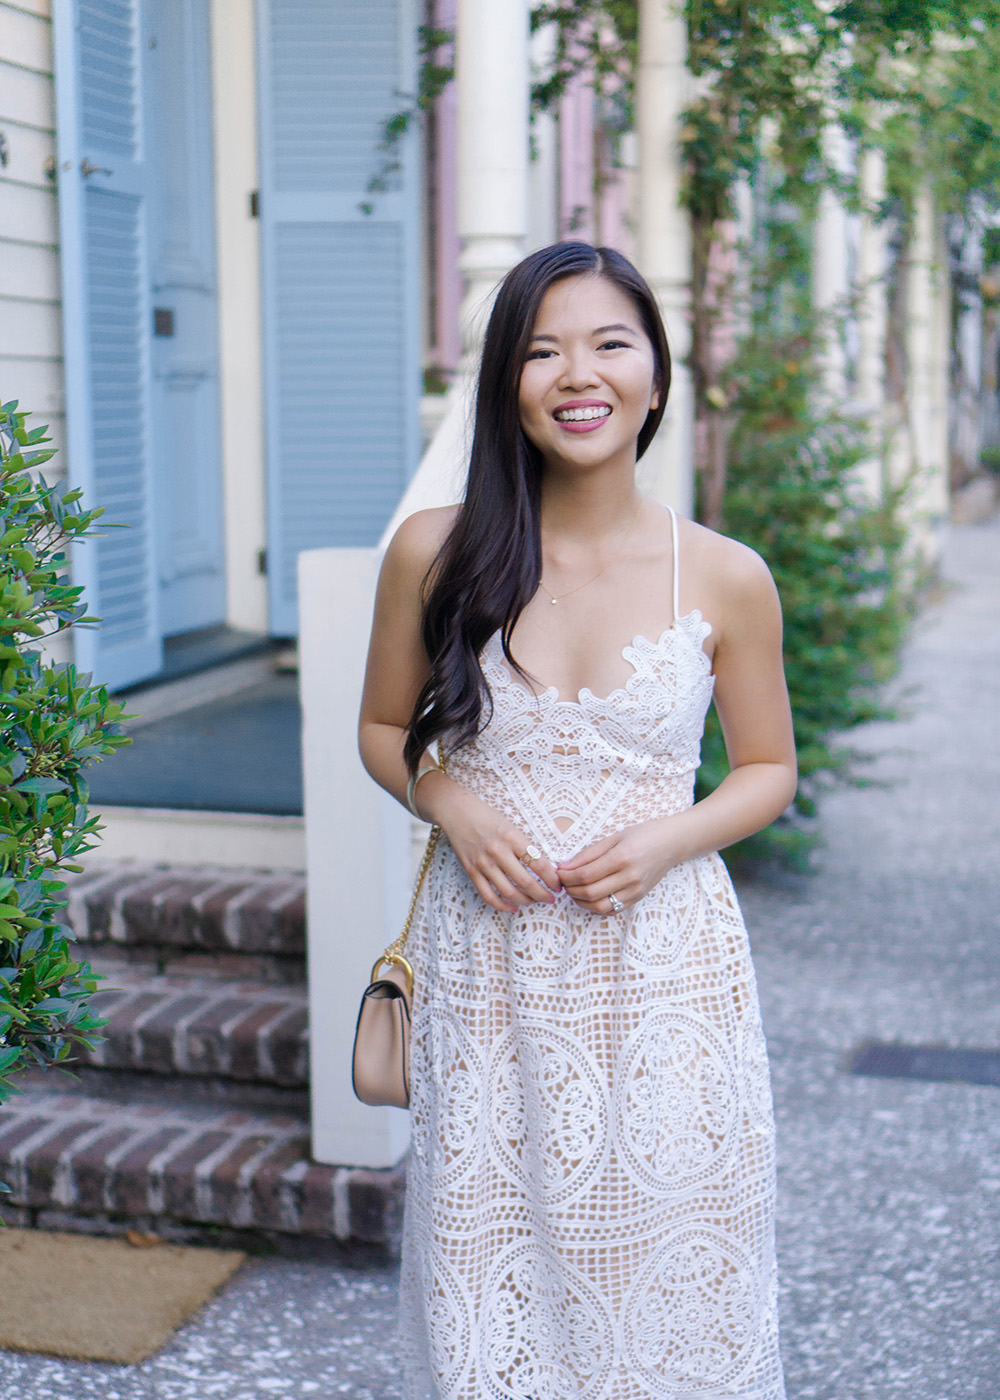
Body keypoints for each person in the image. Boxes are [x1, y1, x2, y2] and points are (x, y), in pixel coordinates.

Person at [358, 241, 797, 1400]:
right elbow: (377, 728)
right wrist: (449, 799)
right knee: (485, 1282)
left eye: (608, 341)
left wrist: (666, 836)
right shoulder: (435, 552)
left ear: (654, 370)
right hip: (488, 974)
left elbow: (765, 768)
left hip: (665, 976)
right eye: (542, 348)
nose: (576, 372)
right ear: (507, 378)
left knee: (671, 1283)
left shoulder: (725, 573)